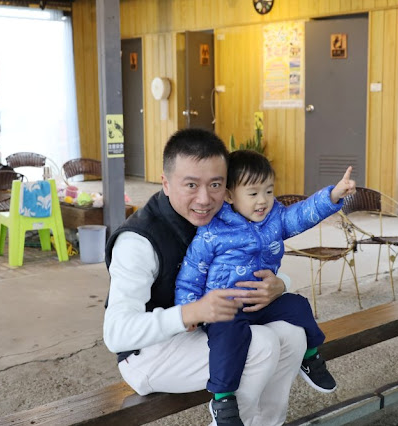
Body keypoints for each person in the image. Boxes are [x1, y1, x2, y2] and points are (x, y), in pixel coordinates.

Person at [104, 128, 307, 426]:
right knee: (260, 344)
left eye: (215, 184)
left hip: (209, 328)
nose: (205, 199)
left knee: (292, 334)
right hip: (148, 353)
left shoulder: (226, 214)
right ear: (166, 183)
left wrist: (281, 285)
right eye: (191, 185)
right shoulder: (138, 242)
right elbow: (116, 334)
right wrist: (191, 312)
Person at [175, 150, 355, 424]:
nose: (263, 201)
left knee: (298, 306)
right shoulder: (213, 231)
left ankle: (310, 357)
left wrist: (333, 196)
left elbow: (302, 214)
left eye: (269, 191)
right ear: (230, 195)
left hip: (263, 303)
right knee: (228, 339)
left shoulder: (275, 218)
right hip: (226, 309)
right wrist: (187, 310)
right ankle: (222, 399)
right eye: (253, 193)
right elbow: (191, 274)